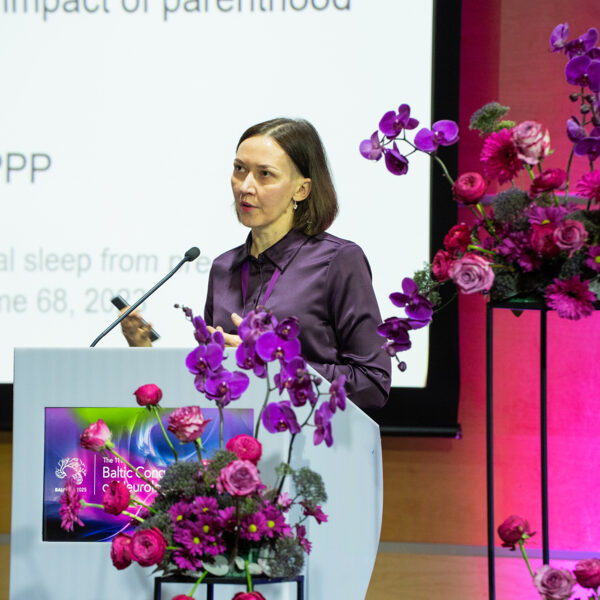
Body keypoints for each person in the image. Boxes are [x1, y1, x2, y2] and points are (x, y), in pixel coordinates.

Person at [123, 118, 391, 410]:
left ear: (301, 190)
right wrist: (143, 352)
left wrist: (273, 365)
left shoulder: (338, 261)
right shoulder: (223, 268)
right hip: (231, 437)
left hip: (308, 438)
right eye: (240, 169)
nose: (245, 186)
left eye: (265, 174)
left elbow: (372, 383)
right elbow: (209, 387)